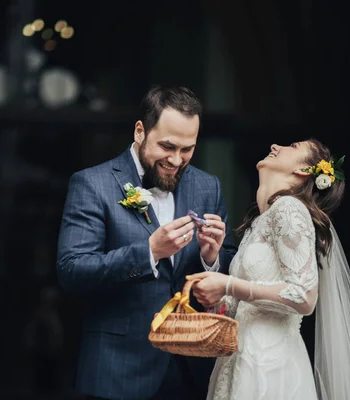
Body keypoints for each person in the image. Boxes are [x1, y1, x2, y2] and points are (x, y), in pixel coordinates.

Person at [56, 85, 238, 400]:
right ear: (140, 131)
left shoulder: (208, 186)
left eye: (187, 149)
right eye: (167, 146)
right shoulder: (92, 184)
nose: (177, 159)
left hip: (192, 369)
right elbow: (73, 271)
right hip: (117, 370)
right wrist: (150, 252)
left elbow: (231, 266)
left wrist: (213, 258)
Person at [187, 139, 350, 400]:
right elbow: (235, 308)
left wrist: (227, 284)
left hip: (270, 364)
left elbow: (304, 296)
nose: (276, 145)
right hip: (238, 360)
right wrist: (212, 260)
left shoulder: (289, 208)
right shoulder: (260, 221)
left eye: (294, 146)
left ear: (302, 171)